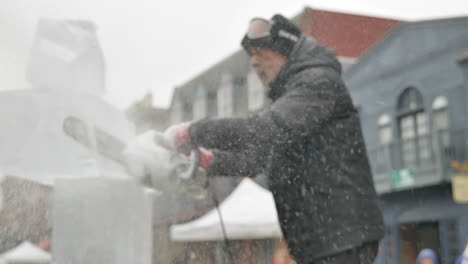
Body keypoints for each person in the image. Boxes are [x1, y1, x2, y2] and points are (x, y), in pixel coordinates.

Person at [129, 14, 384, 264]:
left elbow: (263, 131)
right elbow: (258, 159)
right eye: (250, 55)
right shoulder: (294, 99)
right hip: (324, 240)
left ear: (286, 50)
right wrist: (211, 162)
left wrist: (192, 132)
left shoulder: (317, 83)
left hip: (341, 237)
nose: (253, 62)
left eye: (261, 53)